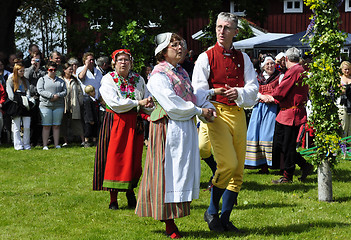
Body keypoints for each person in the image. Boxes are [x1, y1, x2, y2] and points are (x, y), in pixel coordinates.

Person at [135, 32, 219, 239]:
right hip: (167, 127)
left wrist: (210, 97)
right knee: (166, 172)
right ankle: (168, 223)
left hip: (183, 125)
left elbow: (190, 96)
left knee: (180, 171)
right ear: (163, 51)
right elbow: (173, 104)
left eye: (181, 44)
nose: (180, 47)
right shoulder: (158, 75)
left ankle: (172, 217)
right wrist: (199, 112)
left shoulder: (180, 71)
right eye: (174, 45)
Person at [192, 12, 259, 232]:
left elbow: (253, 89)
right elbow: (197, 91)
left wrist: (238, 93)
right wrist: (212, 102)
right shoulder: (206, 57)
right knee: (227, 164)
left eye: (227, 28)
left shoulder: (244, 58)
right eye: (219, 27)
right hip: (216, 113)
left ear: (235, 32)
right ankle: (211, 210)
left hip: (238, 113)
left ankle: (226, 218)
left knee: (238, 170)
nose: (222, 31)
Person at [93, 49, 152, 210]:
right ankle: (113, 198)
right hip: (117, 122)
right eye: (120, 60)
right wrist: (138, 103)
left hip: (135, 123)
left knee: (134, 159)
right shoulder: (108, 79)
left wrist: (150, 107)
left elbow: (145, 98)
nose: (123, 62)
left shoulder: (138, 79)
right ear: (113, 63)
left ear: (131, 63)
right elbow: (114, 102)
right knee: (115, 159)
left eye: (127, 60)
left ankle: (130, 191)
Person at [270, 47, 313, 183]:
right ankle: (304, 166)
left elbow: (280, 92)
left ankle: (289, 175)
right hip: (288, 113)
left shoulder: (294, 71)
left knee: (286, 146)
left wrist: (269, 95)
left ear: (286, 59)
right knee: (281, 144)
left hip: (290, 114)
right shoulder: (300, 70)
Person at [245, 55, 284, 173]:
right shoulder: (258, 78)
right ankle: (262, 165)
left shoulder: (280, 76)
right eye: (267, 64)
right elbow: (253, 91)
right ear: (263, 66)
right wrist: (261, 96)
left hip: (273, 108)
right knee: (255, 135)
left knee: (268, 136)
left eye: (272, 63)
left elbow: (281, 90)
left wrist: (272, 97)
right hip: (259, 109)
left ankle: (273, 163)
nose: (270, 66)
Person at [37, 61, 67, 150]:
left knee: (57, 125)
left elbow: (65, 91)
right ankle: (45, 145)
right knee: (46, 125)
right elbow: (40, 90)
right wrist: (51, 96)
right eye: (51, 70)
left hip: (58, 105)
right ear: (47, 70)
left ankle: (56, 144)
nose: (53, 71)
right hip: (45, 105)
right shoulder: (42, 79)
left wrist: (58, 95)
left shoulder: (61, 80)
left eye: (54, 70)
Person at [6, 63, 34, 150]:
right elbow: (10, 95)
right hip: (16, 104)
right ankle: (18, 145)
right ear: (16, 71)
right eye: (20, 71)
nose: (22, 73)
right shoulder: (11, 81)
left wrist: (28, 101)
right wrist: (19, 101)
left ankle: (26, 144)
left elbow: (28, 91)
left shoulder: (26, 81)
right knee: (17, 127)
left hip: (26, 104)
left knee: (27, 126)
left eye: (23, 71)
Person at [24, 52, 46, 147]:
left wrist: (38, 69)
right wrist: (33, 67)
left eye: (37, 60)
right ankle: (32, 141)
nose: (35, 62)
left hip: (41, 97)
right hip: (31, 98)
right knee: (32, 120)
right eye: (34, 60)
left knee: (40, 120)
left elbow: (44, 78)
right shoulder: (27, 70)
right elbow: (26, 77)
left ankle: (40, 141)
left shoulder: (43, 70)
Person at [61, 63, 84, 146]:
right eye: (69, 69)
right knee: (63, 122)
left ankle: (83, 140)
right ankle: (65, 141)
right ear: (64, 70)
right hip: (63, 104)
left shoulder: (75, 80)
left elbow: (80, 92)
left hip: (74, 104)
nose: (71, 71)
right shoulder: (60, 79)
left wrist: (80, 102)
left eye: (72, 69)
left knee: (77, 122)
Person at [338, 61, 351, 137]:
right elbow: (339, 91)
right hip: (343, 105)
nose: (347, 71)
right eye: (345, 69)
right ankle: (343, 146)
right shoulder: (339, 79)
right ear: (341, 69)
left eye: (349, 69)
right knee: (344, 127)